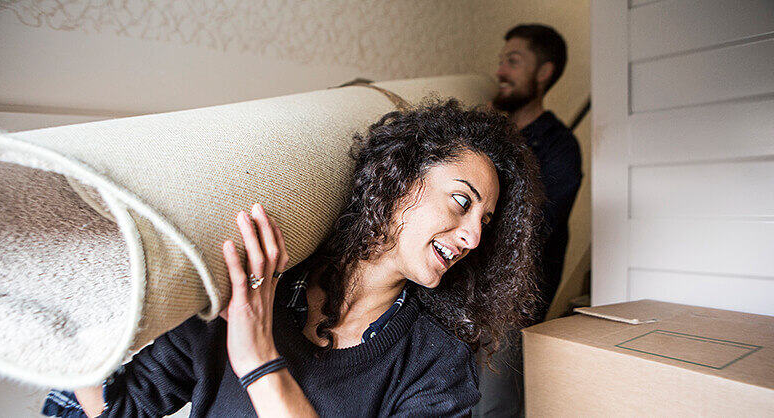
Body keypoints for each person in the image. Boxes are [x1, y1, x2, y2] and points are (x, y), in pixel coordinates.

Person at [43, 100, 543, 417]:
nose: (475, 236)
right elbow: (122, 409)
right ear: (400, 181)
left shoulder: (436, 362)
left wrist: (260, 361)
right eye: (462, 201)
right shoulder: (253, 288)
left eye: (486, 220)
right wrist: (73, 308)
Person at [475, 24, 583, 418]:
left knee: (494, 407)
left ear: (543, 73)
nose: (500, 72)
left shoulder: (559, 147)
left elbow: (535, 227)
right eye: (501, 61)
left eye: (513, 62)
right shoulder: (485, 135)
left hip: (510, 304)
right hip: (461, 289)